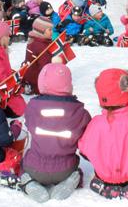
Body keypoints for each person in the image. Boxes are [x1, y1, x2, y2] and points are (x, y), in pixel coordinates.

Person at [78, 69, 128, 201]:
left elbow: (84, 151)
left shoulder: (95, 124)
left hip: (104, 176)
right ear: (127, 92)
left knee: (103, 170)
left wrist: (101, 159)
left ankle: (103, 184)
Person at [21, 63, 91, 203]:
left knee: (23, 168)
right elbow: (86, 135)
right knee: (76, 171)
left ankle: (28, 182)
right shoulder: (79, 112)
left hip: (34, 167)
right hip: (65, 169)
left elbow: (28, 123)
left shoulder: (32, 107)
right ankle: (72, 181)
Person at [22, 16, 54, 95]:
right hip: (37, 80)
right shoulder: (41, 46)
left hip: (28, 75)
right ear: (41, 31)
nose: (52, 32)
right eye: (49, 30)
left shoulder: (33, 40)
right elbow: (45, 68)